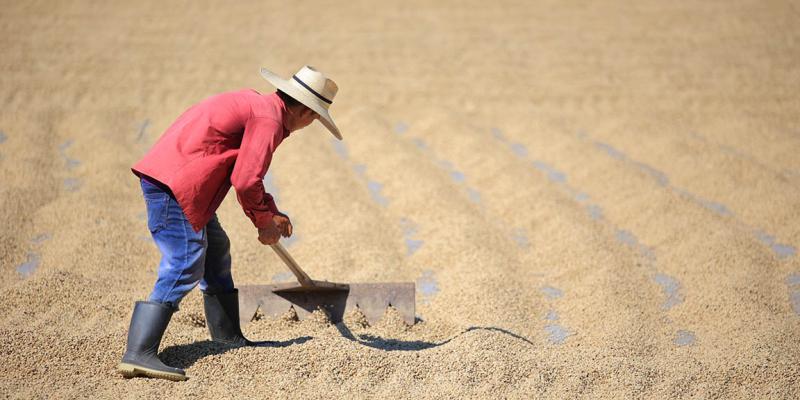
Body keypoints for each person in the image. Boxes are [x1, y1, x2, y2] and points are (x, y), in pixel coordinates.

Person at [117, 66, 342, 381]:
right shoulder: (269, 120)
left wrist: (270, 212)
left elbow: (244, 171)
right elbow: (246, 180)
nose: (312, 123)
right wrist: (264, 220)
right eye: (316, 117)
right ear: (305, 111)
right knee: (185, 261)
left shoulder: (260, 106)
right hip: (176, 186)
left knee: (216, 247)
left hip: (182, 182)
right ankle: (138, 353)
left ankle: (226, 336)